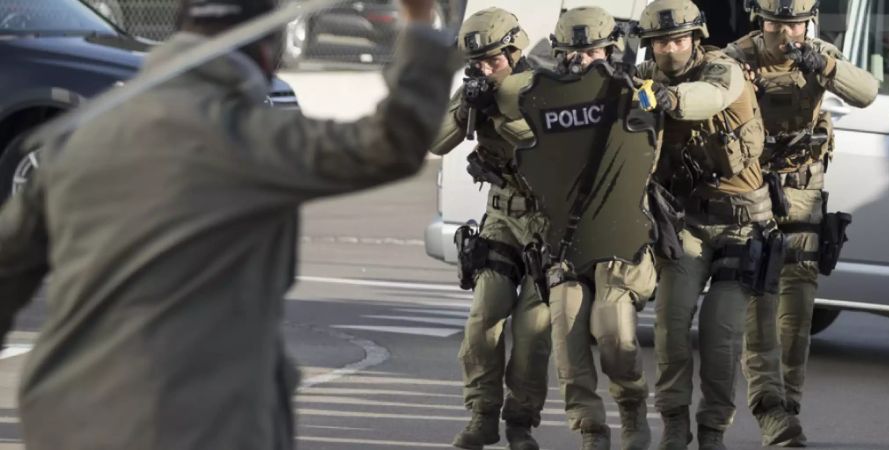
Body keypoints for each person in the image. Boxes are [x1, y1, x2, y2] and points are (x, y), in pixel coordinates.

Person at [0, 0, 458, 448]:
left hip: (61, 412)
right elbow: (393, 143)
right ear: (266, 53)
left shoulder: (73, 141)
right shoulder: (246, 137)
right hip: (193, 417)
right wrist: (418, 26)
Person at [726, 1, 878, 446]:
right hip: (752, 193)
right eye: (776, 23)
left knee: (797, 310)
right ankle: (770, 410)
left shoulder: (818, 53)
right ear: (761, 21)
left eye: (794, 24)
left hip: (802, 195)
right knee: (758, 302)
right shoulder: (738, 57)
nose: (785, 32)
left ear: (807, 23)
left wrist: (824, 64)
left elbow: (866, 92)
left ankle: (788, 411)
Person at [633, 0, 780, 448]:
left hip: (741, 227)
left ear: (696, 39)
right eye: (660, 42)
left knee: (720, 334)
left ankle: (712, 430)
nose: (670, 49)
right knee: (671, 325)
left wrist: (669, 98)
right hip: (687, 225)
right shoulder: (645, 83)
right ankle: (675, 423)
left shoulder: (724, 69)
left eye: (678, 39)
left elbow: (709, 98)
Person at [429, 7, 549, 450]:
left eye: (493, 60)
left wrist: (497, 111)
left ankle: (520, 423)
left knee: (534, 332)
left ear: (515, 52)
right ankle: (482, 416)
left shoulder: (543, 85)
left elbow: (541, 143)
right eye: (476, 63)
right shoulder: (477, 90)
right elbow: (435, 141)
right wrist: (466, 108)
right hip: (502, 216)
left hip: (547, 223)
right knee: (484, 320)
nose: (484, 69)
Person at [543, 7, 654, 450]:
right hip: (568, 239)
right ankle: (590, 429)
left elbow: (657, 116)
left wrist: (628, 89)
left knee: (614, 332)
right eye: (572, 53)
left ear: (610, 49)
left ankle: (631, 410)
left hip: (620, 236)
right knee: (566, 327)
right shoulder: (545, 96)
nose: (582, 60)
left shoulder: (635, 87)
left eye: (591, 51)